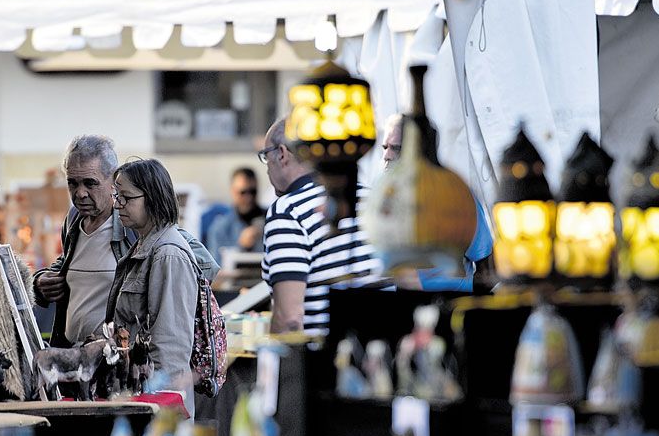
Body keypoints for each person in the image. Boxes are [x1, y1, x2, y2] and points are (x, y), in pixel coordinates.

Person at [33, 135, 218, 348]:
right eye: (72, 183)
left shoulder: (134, 221)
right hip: (73, 357)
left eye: (90, 183)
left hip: (115, 363)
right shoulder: (75, 219)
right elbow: (70, 262)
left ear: (114, 181)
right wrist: (40, 281)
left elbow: (203, 263)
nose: (80, 193)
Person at [260, 117, 390, 334]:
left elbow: (289, 318)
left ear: (282, 153)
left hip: (323, 359)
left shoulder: (287, 211)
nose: (266, 168)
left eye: (266, 157)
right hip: (382, 354)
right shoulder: (373, 198)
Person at [105, 158, 200, 416]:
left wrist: (160, 413)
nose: (117, 205)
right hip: (140, 397)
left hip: (157, 405)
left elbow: (171, 348)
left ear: (153, 198)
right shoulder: (145, 246)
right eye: (117, 196)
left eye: (126, 198)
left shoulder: (168, 253)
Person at [381, 113, 495, 292]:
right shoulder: (382, 204)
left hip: (452, 311)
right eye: (385, 147)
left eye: (396, 148)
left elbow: (487, 268)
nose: (386, 155)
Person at [205, 167, 265, 263]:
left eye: (253, 192)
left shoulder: (271, 219)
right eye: (243, 192)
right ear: (233, 191)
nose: (248, 197)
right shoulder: (220, 228)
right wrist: (241, 246)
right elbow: (216, 270)